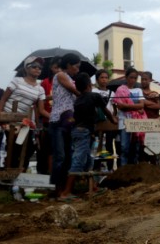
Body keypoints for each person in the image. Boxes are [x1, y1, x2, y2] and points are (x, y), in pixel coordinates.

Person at [58, 73, 116, 200]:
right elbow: (106, 110)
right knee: (79, 160)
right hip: (84, 132)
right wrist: (113, 119)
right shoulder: (95, 96)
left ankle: (94, 186)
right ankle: (66, 192)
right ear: (90, 85)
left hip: (79, 131)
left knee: (89, 160)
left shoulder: (78, 100)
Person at [0, 56, 50, 171]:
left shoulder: (40, 89)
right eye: (34, 66)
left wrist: (55, 117)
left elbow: (41, 110)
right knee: (13, 147)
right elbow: (3, 99)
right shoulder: (17, 81)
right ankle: (9, 174)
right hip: (8, 118)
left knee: (29, 148)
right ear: (26, 68)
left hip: (23, 122)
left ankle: (21, 172)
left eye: (40, 67)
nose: (37, 69)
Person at [47, 53, 81, 193]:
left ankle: (65, 188)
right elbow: (73, 91)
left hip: (67, 121)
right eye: (76, 67)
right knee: (60, 156)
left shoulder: (70, 79)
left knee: (67, 156)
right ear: (68, 65)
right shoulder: (60, 75)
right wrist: (85, 95)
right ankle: (57, 187)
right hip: (58, 120)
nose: (77, 70)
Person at [113, 67, 146, 165]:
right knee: (124, 147)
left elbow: (142, 105)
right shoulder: (120, 90)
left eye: (135, 78)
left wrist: (127, 106)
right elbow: (120, 107)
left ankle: (134, 169)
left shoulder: (139, 90)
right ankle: (123, 169)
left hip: (136, 121)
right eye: (131, 77)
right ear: (126, 77)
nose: (133, 80)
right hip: (124, 121)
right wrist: (136, 107)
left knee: (135, 147)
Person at [37, 56, 60, 174]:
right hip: (48, 121)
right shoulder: (45, 83)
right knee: (49, 150)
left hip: (63, 122)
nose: (58, 70)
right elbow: (40, 103)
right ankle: (50, 175)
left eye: (61, 68)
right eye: (56, 67)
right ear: (51, 68)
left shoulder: (68, 83)